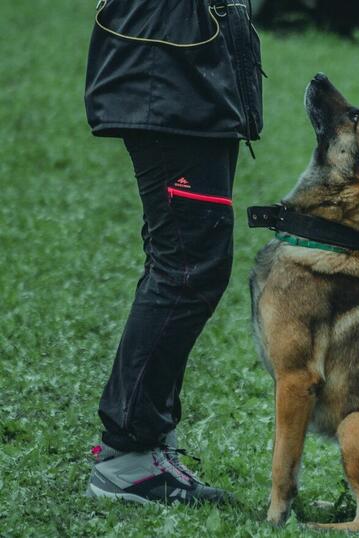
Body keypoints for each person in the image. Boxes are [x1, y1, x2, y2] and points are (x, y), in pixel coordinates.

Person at [83, 0, 263, 505]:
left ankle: (148, 440)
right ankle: (128, 456)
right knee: (186, 267)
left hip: (193, 71)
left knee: (186, 260)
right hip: (168, 70)